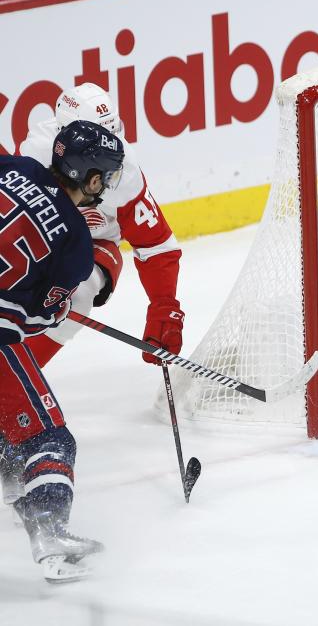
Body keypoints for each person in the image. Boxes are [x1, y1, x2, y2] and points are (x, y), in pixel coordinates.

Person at [0, 119, 125, 582]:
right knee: (50, 438)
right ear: (91, 177)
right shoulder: (75, 242)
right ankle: (50, 532)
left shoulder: (10, 166)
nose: (106, 186)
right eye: (105, 177)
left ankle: (16, 486)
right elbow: (41, 319)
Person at [18, 83, 184, 369]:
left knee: (77, 295)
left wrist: (163, 304)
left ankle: (18, 377)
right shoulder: (36, 152)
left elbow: (155, 242)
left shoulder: (124, 169)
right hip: (45, 238)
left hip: (94, 242)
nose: (110, 159)